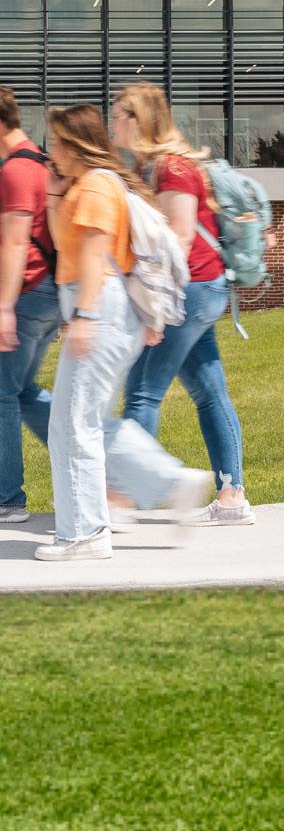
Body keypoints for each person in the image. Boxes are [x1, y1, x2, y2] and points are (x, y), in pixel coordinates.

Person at [36, 102, 211, 563]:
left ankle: (85, 532)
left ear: (76, 144)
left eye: (57, 143)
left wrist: (84, 317)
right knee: (82, 422)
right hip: (102, 308)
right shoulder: (86, 184)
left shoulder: (97, 185)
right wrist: (54, 192)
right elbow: (67, 246)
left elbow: (94, 258)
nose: (51, 151)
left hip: (99, 308)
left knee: (73, 425)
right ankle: (167, 483)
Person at [111, 84, 255, 525]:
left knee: (142, 390)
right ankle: (231, 498)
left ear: (139, 120)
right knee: (210, 392)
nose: (111, 123)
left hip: (189, 291)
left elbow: (181, 237)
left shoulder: (172, 167)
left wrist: (157, 309)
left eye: (118, 115)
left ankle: (119, 502)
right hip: (199, 290)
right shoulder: (150, 166)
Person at [0, 88, 58, 524]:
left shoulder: (16, 170)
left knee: (3, 395)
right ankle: (108, 464)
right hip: (47, 292)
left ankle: (8, 500)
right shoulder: (41, 161)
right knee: (23, 392)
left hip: (28, 294)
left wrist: (4, 307)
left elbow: (16, 243)